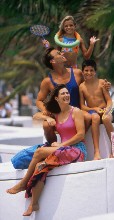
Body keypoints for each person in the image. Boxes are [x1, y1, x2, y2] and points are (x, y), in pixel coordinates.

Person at [6, 84, 87, 216]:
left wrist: (61, 145)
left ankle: (23, 183)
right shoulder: (56, 113)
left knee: (39, 152)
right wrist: (47, 118)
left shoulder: (75, 111)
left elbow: (81, 135)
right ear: (56, 98)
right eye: (63, 94)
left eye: (67, 93)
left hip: (77, 150)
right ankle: (35, 204)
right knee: (40, 165)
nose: (66, 95)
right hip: (64, 148)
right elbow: (36, 116)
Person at [79, 60, 114, 160]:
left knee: (105, 119)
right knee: (94, 118)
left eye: (91, 70)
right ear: (82, 72)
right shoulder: (82, 87)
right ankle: (97, 152)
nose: (89, 72)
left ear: (95, 71)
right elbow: (82, 106)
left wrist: (107, 110)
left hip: (107, 110)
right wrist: (94, 109)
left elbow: (109, 101)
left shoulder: (101, 83)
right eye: (86, 70)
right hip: (94, 111)